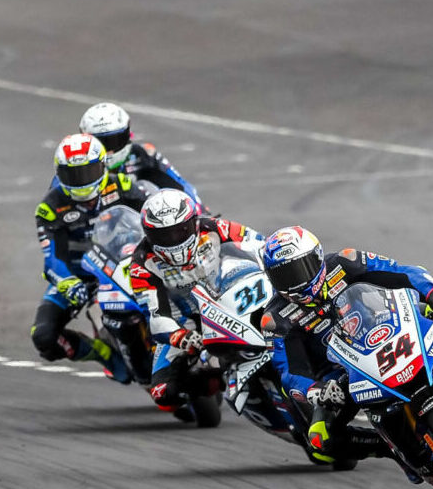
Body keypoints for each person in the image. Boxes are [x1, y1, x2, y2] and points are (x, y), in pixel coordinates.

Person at [259, 225, 433, 466]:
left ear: (318, 258)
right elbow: (289, 373)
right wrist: (316, 390)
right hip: (342, 377)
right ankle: (392, 448)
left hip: (387, 331)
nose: (295, 282)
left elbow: (404, 273)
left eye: (301, 268)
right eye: (284, 275)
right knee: (320, 438)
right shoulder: (276, 318)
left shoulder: (345, 262)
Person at [126, 190, 262, 414]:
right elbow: (156, 317)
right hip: (184, 322)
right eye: (164, 235)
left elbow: (261, 245)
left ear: (194, 222)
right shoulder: (141, 263)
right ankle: (209, 382)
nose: (174, 239)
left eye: (181, 230)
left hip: (228, 302)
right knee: (162, 393)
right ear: (149, 235)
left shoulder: (216, 227)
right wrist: (181, 337)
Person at [30, 133, 149, 380]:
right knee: (43, 336)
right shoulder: (49, 208)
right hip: (81, 276)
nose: (81, 182)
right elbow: (52, 259)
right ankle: (102, 353)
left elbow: (153, 216)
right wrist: (68, 283)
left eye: (87, 172)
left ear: (104, 166)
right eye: (72, 175)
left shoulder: (123, 185)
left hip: (126, 263)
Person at [77, 103, 201, 204]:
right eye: (100, 144)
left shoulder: (143, 154)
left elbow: (180, 185)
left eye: (114, 141)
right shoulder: (75, 167)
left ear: (127, 136)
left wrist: (199, 212)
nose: (108, 151)